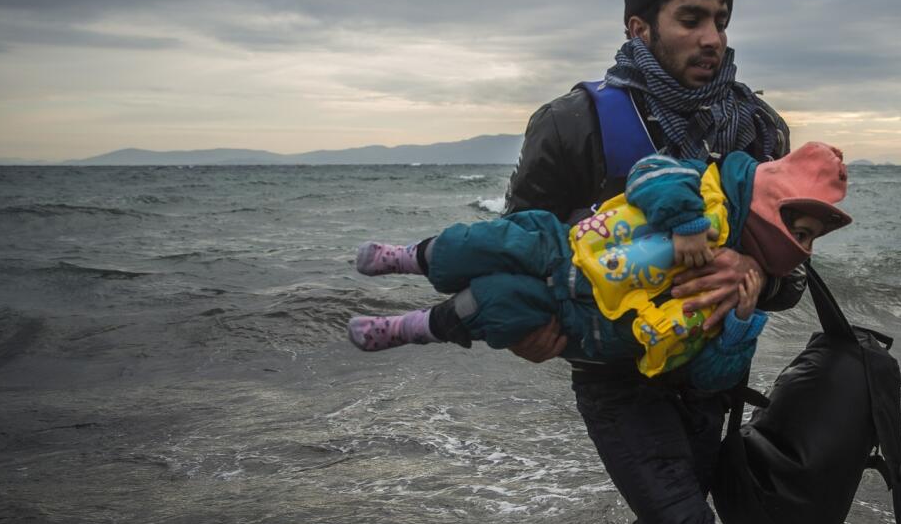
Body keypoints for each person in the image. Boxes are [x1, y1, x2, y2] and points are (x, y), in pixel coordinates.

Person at [493, 0, 805, 524]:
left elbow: (796, 276)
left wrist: (757, 274)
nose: (713, 38)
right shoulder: (574, 125)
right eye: (690, 19)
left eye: (721, 21)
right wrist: (524, 326)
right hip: (617, 385)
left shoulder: (762, 132)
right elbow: (516, 255)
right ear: (639, 26)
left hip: (714, 375)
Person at [345, 143, 851, 399]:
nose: (802, 250)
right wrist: (689, 222)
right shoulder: (709, 187)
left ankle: (409, 329)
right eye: (800, 231)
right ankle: (410, 256)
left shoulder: (737, 290)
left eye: (809, 240)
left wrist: (740, 326)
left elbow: (707, 378)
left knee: (492, 307)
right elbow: (649, 173)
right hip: (561, 250)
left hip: (581, 328)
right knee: (480, 243)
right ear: (773, 199)